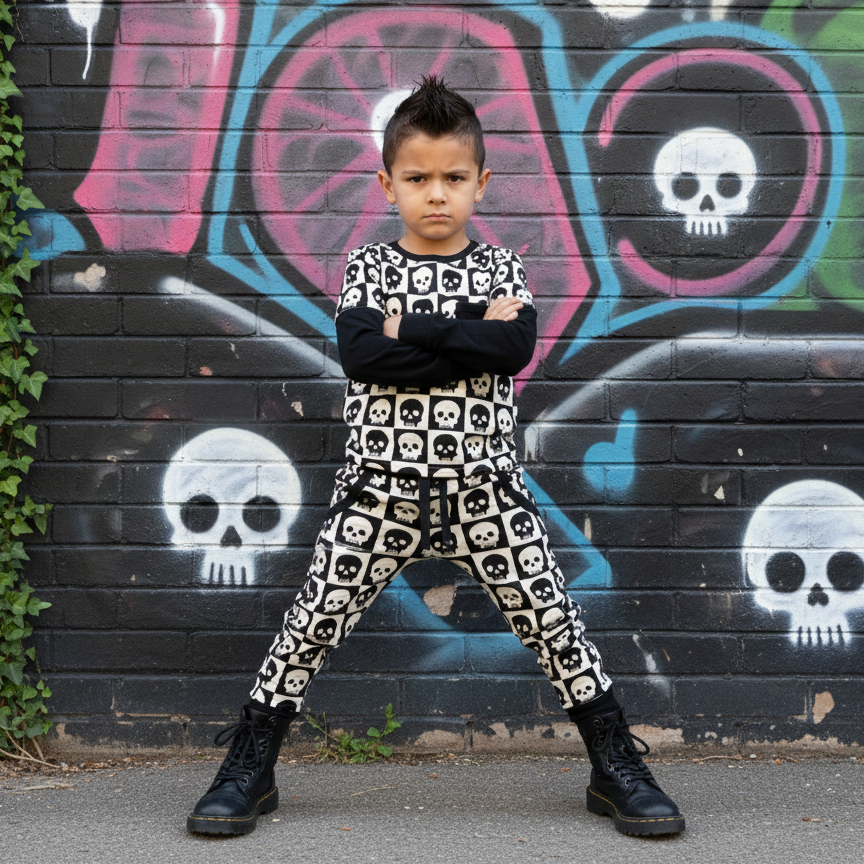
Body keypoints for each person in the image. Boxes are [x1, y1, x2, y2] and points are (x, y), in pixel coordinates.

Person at [186, 75, 684, 838]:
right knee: (312, 621)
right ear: (388, 184)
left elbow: (511, 348)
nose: (437, 194)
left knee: (556, 623)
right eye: (418, 178)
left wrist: (412, 331)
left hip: (486, 492)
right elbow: (363, 356)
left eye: (454, 178)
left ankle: (614, 763)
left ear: (481, 182)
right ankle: (250, 766)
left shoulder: (500, 269)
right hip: (378, 493)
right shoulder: (368, 267)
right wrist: (462, 334)